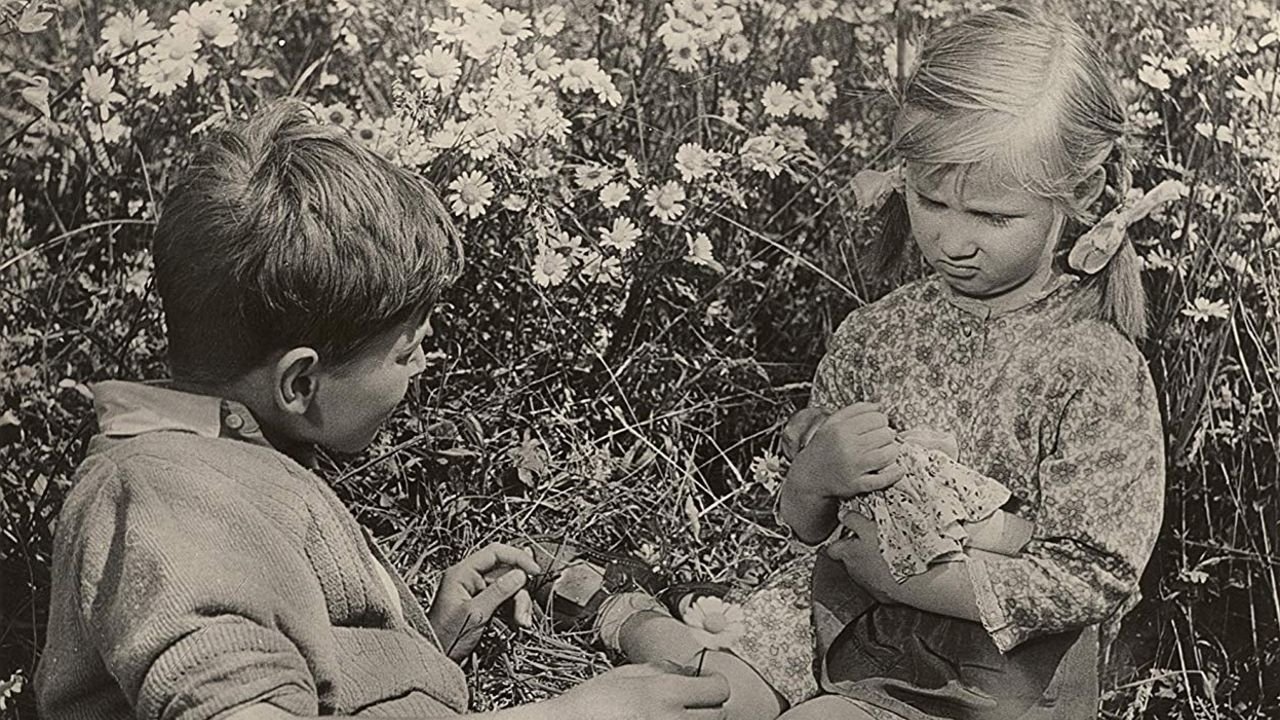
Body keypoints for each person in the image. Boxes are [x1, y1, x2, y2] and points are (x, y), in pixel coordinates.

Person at [543, 3, 1170, 719]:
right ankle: (620, 610)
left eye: (992, 217)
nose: (952, 240)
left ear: (1082, 194)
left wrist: (908, 581)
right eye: (930, 200)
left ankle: (632, 614)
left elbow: (1096, 573)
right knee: (694, 695)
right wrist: (814, 476)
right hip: (839, 616)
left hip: (988, 672)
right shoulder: (879, 333)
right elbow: (809, 530)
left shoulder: (1094, 367)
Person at [34, 100, 730, 720]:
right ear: (299, 383)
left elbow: (296, 655)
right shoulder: (165, 502)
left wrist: (415, 648)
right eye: (406, 352)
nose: (424, 367)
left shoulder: (224, 462)